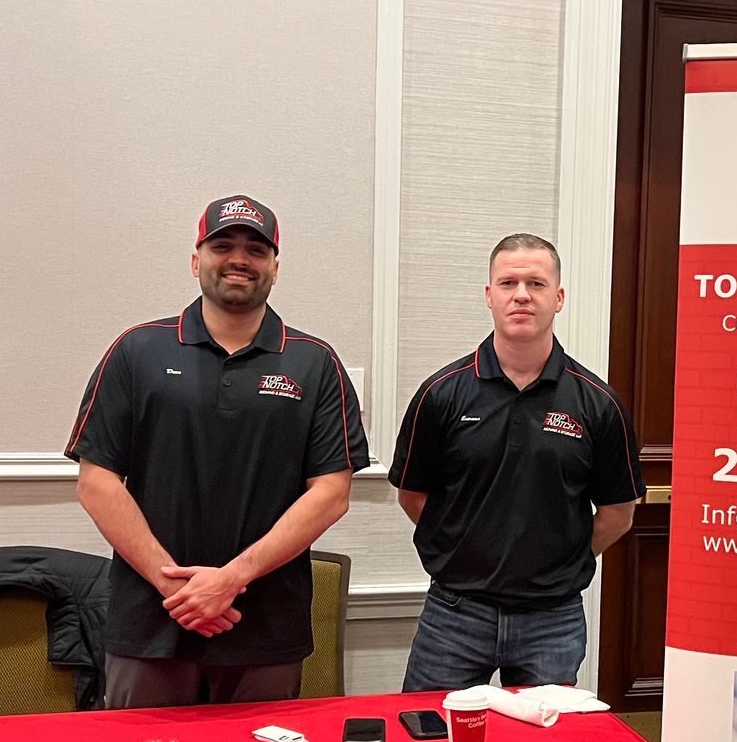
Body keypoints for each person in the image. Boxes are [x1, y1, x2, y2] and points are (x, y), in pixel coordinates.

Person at [66, 196, 368, 707]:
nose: (239, 258)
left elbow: (332, 493)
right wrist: (178, 590)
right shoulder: (137, 350)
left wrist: (231, 580)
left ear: (275, 267)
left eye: (256, 248)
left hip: (265, 628)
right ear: (195, 260)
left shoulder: (315, 364)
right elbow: (96, 482)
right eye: (222, 245)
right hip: (150, 626)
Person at [391, 234, 643, 690]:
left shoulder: (598, 403)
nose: (521, 294)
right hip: (454, 615)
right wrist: (462, 546)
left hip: (552, 618)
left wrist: (563, 558)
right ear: (489, 295)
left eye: (536, 283)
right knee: (426, 738)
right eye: (508, 282)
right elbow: (413, 494)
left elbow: (619, 513)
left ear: (559, 297)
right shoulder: (441, 393)